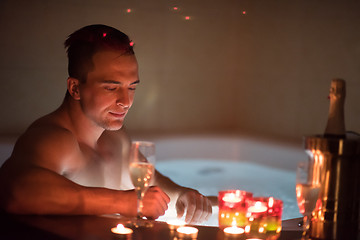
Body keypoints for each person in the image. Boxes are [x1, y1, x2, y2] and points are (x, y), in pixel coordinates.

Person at [0, 24, 214, 224]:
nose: (126, 102)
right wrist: (126, 202)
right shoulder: (54, 139)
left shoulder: (115, 136)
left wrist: (181, 194)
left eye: (132, 87)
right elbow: (15, 191)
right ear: (75, 88)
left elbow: (146, 179)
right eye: (111, 88)